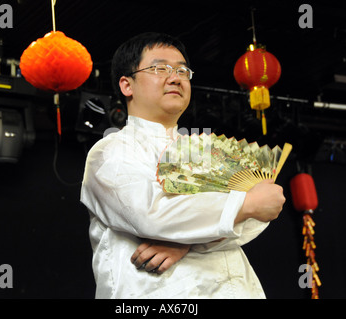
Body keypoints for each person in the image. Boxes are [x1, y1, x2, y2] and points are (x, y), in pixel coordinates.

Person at [80, 32, 286, 298]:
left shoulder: (205, 151)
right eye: (160, 68)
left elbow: (249, 222)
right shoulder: (111, 151)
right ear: (126, 85)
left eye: (182, 70)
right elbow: (150, 216)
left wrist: (188, 243)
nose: (175, 77)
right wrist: (245, 206)